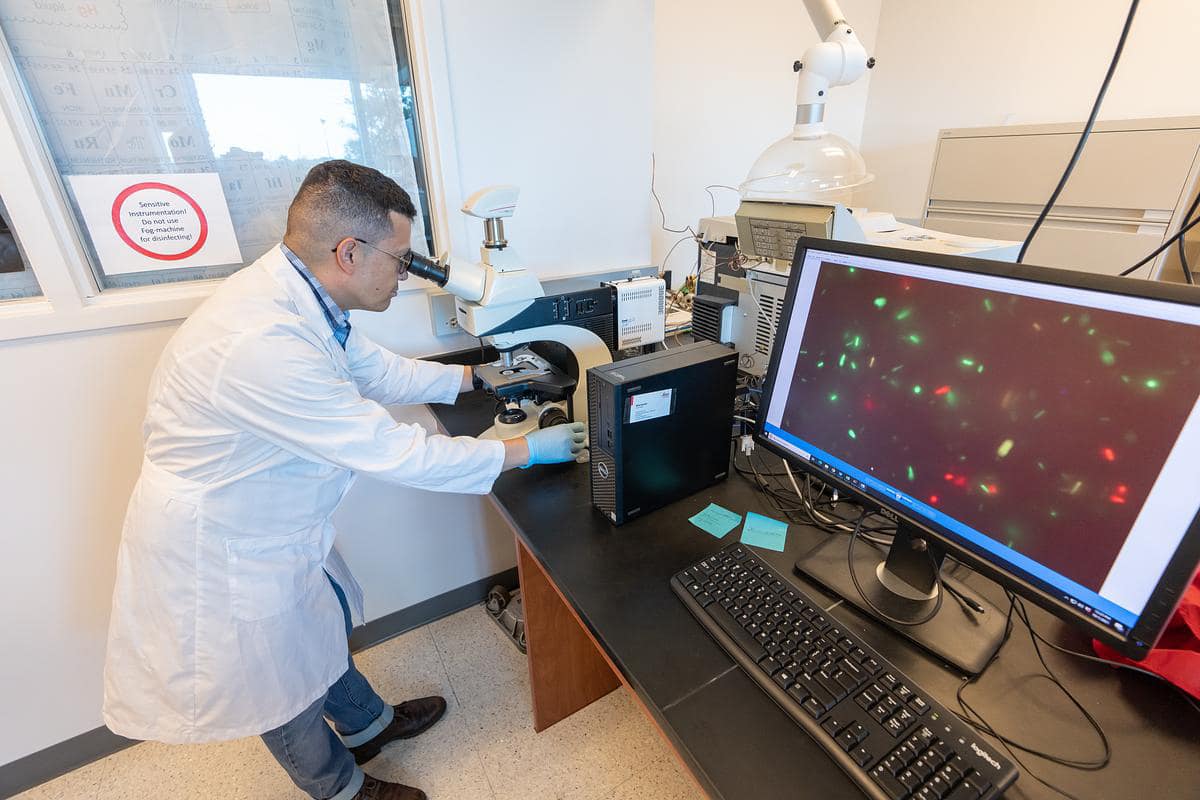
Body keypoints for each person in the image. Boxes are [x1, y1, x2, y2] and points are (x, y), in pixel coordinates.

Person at [102, 160, 586, 800]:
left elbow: (376, 370)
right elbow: (395, 453)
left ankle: (369, 725)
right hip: (224, 546)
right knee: (282, 683)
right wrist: (525, 449)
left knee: (319, 629)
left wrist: (481, 378)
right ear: (350, 252)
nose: (407, 274)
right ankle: (342, 789)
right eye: (403, 259)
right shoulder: (260, 342)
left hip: (275, 523)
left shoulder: (299, 294)